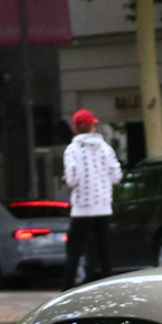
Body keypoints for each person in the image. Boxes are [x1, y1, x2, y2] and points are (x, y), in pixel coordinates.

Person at [63, 109, 122, 283]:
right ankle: (105, 287)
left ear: (75, 128)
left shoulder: (72, 150)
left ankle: (67, 289)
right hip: (103, 207)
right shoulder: (105, 148)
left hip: (82, 209)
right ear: (92, 127)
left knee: (74, 252)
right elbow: (116, 176)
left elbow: (72, 180)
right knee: (103, 251)